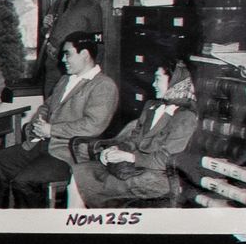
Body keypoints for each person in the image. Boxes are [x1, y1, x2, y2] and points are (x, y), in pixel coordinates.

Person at [0, 31, 119, 208]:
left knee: (24, 181)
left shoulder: (103, 85)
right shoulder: (65, 80)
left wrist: (51, 130)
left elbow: (93, 125)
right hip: (41, 145)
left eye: (67, 54)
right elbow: (46, 107)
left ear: (85, 54)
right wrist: (37, 125)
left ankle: (35, 224)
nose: (63, 59)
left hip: (69, 154)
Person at [73, 56, 201, 207]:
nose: (153, 84)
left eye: (158, 79)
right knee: (78, 173)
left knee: (92, 183)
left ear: (174, 82)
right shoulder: (151, 106)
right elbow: (134, 140)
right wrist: (115, 148)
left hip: (159, 177)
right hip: (135, 169)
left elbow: (166, 159)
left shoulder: (185, 117)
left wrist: (129, 157)